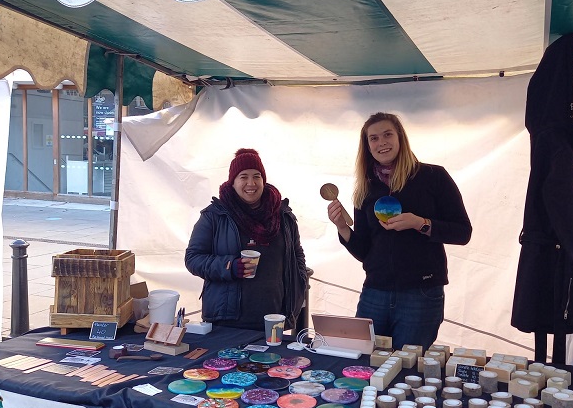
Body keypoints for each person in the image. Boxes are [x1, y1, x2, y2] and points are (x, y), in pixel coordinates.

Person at [327, 112, 472, 350]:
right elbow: (365, 251)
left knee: (406, 369)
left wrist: (420, 223)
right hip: (375, 291)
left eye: (387, 135)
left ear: (400, 138)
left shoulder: (433, 177)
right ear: (367, 146)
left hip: (421, 293)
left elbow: (462, 232)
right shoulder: (365, 188)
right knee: (361, 362)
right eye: (373, 138)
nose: (381, 142)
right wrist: (343, 228)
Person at [185, 148, 308, 331]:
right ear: (232, 182)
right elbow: (193, 258)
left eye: (257, 176)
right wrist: (230, 266)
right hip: (227, 321)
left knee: (272, 360)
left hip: (274, 318)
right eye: (243, 177)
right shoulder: (215, 216)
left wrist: (300, 281)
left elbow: (297, 255)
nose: (251, 183)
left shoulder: (283, 216)